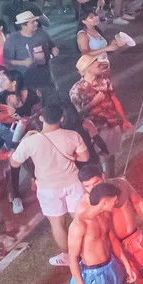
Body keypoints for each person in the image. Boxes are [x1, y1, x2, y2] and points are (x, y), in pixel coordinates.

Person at [9, 100, 87, 266]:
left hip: (48, 188)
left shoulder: (31, 141)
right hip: (73, 182)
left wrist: (23, 141)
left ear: (42, 118)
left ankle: (69, 256)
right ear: (61, 119)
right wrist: (73, 157)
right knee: (81, 219)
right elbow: (85, 158)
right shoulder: (72, 136)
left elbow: (14, 163)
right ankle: (88, 251)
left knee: (57, 223)